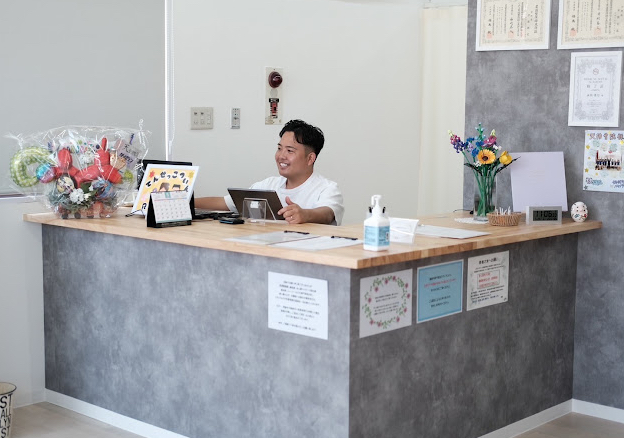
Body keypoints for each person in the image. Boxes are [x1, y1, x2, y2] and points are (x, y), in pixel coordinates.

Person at [195, 119, 344, 225]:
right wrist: (187, 202)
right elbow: (226, 202)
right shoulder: (268, 185)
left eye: (290, 151)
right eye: (279, 148)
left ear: (310, 158)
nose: (281, 156)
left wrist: (305, 215)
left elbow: (327, 213)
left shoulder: (327, 188)